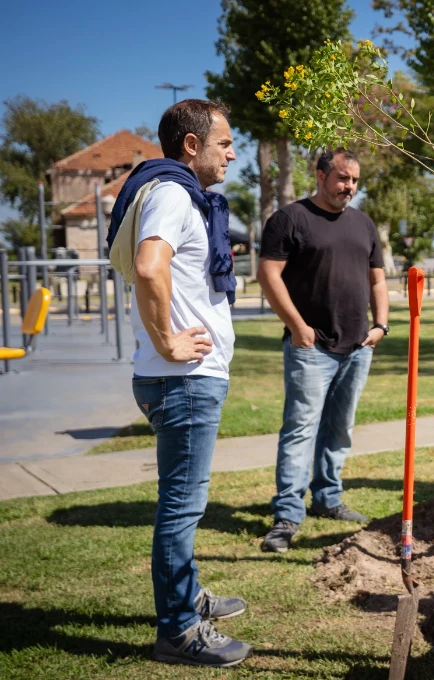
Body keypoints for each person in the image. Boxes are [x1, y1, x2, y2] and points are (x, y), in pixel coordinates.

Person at [121, 99, 251, 667]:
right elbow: (150, 266)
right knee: (181, 507)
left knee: (182, 503)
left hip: (185, 379)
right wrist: (168, 342)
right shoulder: (173, 194)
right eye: (224, 143)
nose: (232, 154)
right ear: (191, 145)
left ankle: (187, 595)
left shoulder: (181, 196)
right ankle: (177, 629)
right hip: (183, 379)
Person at [258, 148, 389, 553]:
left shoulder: (363, 224)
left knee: (339, 429)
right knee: (300, 430)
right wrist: (298, 327)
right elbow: (268, 274)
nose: (349, 186)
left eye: (355, 180)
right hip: (311, 347)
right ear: (320, 175)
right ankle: (287, 515)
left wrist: (381, 325)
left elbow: (377, 280)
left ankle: (328, 498)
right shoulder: (290, 219)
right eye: (342, 178)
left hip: (357, 346)